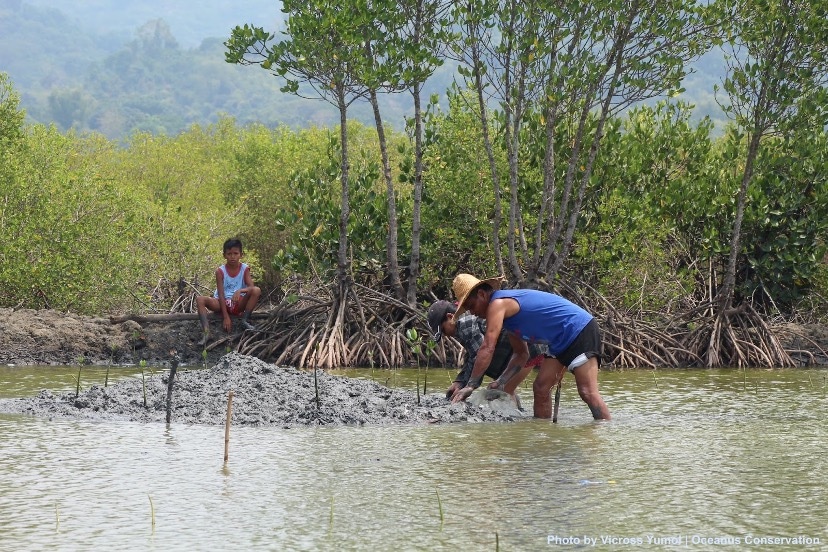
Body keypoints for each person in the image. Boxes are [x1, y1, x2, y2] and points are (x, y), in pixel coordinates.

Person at [449, 273, 611, 420]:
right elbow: (521, 355)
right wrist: (501, 381)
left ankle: (603, 438)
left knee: (587, 392)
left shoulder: (498, 304)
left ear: (482, 295)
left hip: (578, 329)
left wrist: (471, 385)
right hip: (559, 341)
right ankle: (542, 437)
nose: (472, 313)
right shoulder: (508, 320)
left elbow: (487, 347)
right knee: (541, 388)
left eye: (471, 306)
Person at [427, 299, 544, 405]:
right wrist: (460, 382)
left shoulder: (464, 325)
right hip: (522, 350)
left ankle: (515, 425)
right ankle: (520, 421)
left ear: (450, 316)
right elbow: (472, 355)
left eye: (443, 329)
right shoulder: (463, 321)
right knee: (505, 389)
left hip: (527, 350)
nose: (445, 335)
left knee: (502, 391)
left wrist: (469, 386)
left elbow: (480, 354)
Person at [196, 238, 262, 346]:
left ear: (241, 254)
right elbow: (221, 295)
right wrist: (226, 317)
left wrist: (240, 290)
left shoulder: (244, 269)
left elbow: (251, 287)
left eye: (235, 253)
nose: (232, 256)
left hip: (238, 303)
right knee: (200, 299)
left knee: (257, 290)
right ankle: (207, 333)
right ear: (224, 255)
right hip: (221, 303)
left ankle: (244, 320)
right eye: (229, 254)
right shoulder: (220, 271)